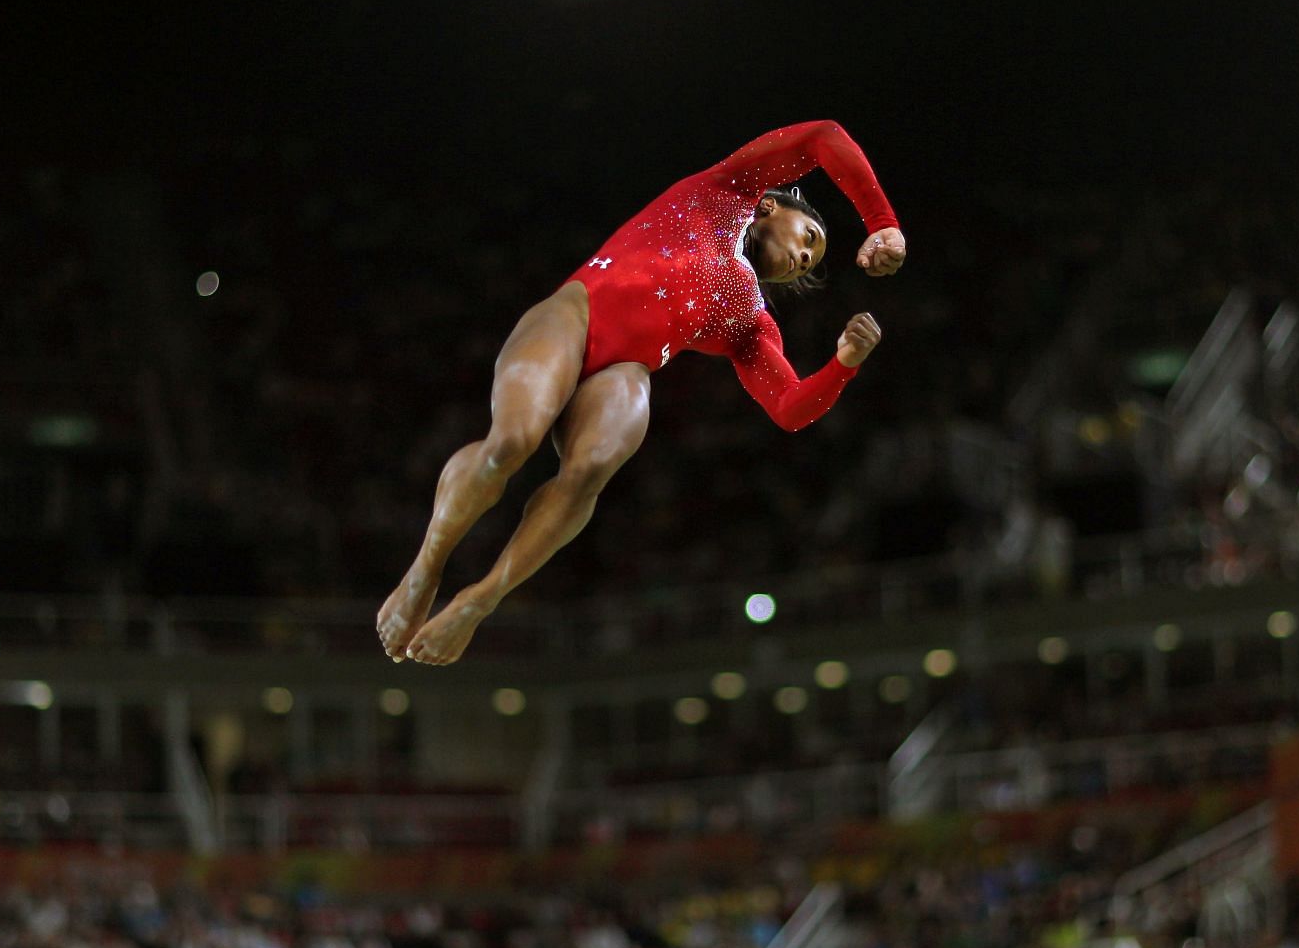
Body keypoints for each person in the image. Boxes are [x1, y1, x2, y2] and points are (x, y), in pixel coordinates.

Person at [375, 121, 907, 664]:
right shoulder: (724, 192)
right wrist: (881, 222)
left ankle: (477, 601)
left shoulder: (751, 318)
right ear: (774, 206)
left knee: (590, 470)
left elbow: (789, 409)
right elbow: (824, 136)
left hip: (625, 370)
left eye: (810, 263)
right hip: (577, 314)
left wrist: (844, 363)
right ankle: (427, 567)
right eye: (809, 240)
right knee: (510, 445)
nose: (803, 258)